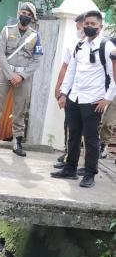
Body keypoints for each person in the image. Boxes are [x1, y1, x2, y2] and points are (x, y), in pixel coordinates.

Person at [51, 10, 116, 188]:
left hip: (93, 100)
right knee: (73, 135)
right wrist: (64, 93)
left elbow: (114, 76)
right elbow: (71, 71)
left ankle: (89, 174)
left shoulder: (107, 47)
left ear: (100, 27)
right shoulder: (80, 45)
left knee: (91, 139)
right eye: (86, 24)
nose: (88, 27)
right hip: (75, 98)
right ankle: (70, 168)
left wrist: (107, 99)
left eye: (93, 25)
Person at [0, 2, 43, 156]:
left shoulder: (35, 36)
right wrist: (10, 75)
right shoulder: (7, 31)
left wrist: (21, 76)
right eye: (23, 12)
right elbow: (0, 54)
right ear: (18, 13)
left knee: (20, 110)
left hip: (23, 78)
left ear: (32, 18)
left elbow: (36, 60)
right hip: (5, 73)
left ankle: (17, 143)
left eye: (29, 15)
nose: (25, 16)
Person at [53, 14, 85, 169]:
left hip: (88, 92)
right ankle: (68, 154)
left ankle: (84, 162)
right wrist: (58, 88)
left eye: (80, 26)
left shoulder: (100, 45)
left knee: (87, 129)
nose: (79, 30)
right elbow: (65, 68)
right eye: (77, 27)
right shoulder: (73, 44)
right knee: (69, 124)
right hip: (70, 89)